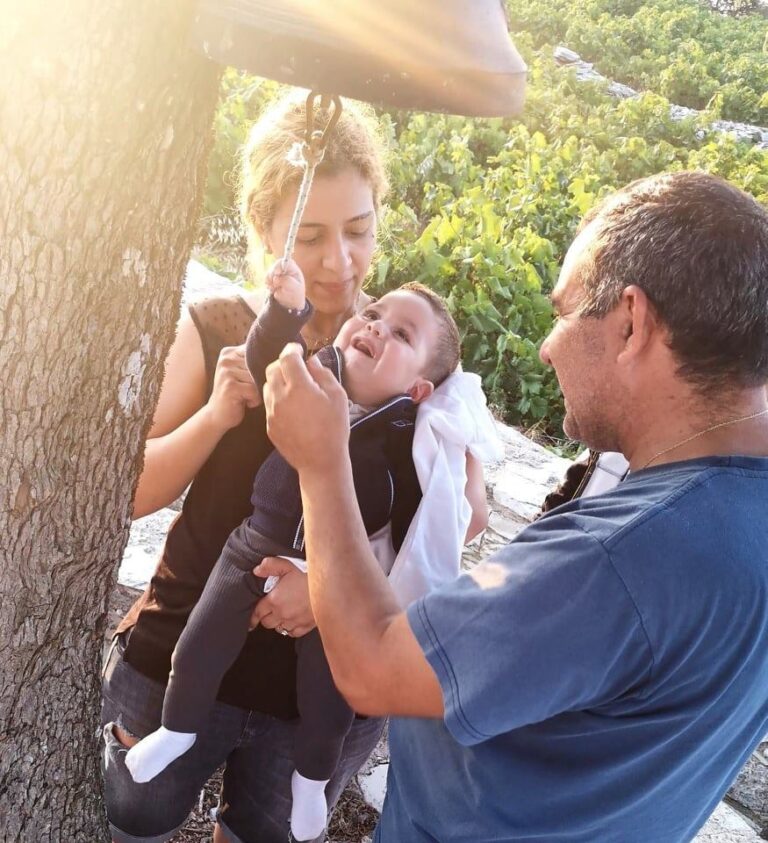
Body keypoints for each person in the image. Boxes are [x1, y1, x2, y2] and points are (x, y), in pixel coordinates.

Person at [261, 171, 768, 843]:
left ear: (630, 323)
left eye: (564, 312)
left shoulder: (621, 558)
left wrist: (321, 461)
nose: (546, 346)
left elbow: (372, 666)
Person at [100, 92, 489, 843]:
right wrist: (217, 415)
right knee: (133, 812)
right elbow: (132, 491)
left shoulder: (412, 364)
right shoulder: (220, 328)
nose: (339, 262)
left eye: (358, 231)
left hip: (315, 689)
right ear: (264, 230)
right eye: (309, 236)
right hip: (185, 637)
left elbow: (447, 527)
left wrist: (333, 583)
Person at [123, 261, 462, 843]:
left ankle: (311, 778)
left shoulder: (412, 443)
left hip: (328, 595)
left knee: (327, 691)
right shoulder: (308, 373)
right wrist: (285, 311)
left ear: (421, 391)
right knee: (200, 644)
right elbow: (266, 354)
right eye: (374, 315)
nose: (377, 327)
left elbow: (424, 545)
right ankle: (176, 730)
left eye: (401, 334)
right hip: (247, 554)